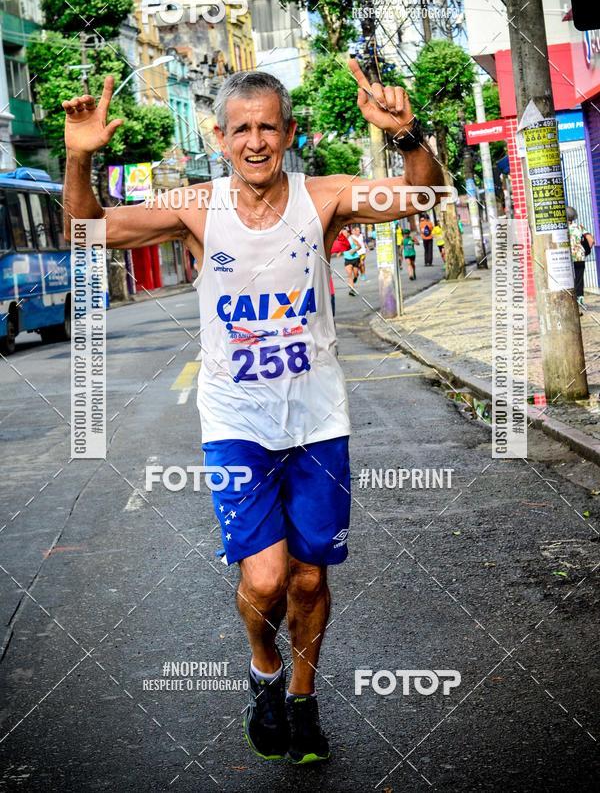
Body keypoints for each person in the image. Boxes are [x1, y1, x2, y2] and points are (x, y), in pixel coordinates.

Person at [61, 59, 443, 765]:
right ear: (219, 137)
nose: (257, 140)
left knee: (308, 578)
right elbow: (85, 229)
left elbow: (421, 198)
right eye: (243, 129)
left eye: (270, 126)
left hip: (318, 423)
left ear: (289, 131)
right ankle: (263, 666)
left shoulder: (321, 197)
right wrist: (78, 158)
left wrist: (408, 133)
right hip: (237, 426)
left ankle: (301, 698)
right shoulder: (196, 208)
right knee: (264, 582)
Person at [567, 205, 595, 309]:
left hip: (567, 259)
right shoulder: (580, 228)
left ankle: (570, 302)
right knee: (579, 279)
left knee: (568, 280)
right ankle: (580, 301)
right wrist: (584, 252)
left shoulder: (563, 230)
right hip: (579, 257)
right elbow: (591, 241)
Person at [343, 226, 361, 295]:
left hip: (355, 258)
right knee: (349, 274)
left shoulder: (352, 239)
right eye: (343, 234)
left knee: (355, 274)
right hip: (347, 259)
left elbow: (359, 246)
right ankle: (352, 289)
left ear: (348, 233)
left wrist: (354, 250)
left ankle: (356, 276)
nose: (344, 235)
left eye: (345, 233)